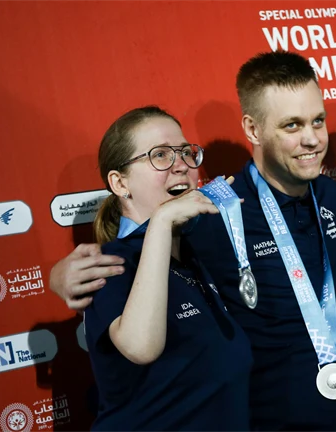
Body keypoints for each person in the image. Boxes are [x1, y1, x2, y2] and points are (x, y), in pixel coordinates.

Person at [50, 52, 336, 431]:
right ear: (254, 130)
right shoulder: (216, 212)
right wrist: (60, 274)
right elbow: (134, 266)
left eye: (318, 121)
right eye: (291, 125)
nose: (310, 138)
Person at [83, 106, 252, 431]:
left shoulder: (192, 256)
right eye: (160, 155)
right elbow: (141, 347)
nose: (181, 166)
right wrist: (161, 220)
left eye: (186, 153)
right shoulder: (108, 264)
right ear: (120, 183)